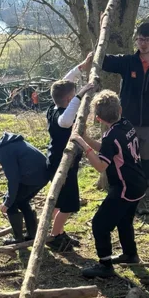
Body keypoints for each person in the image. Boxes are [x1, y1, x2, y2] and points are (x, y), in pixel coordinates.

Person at [78, 21, 149, 199]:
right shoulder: (128, 62)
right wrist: (101, 31)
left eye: (147, 39)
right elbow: (102, 59)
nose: (143, 43)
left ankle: (146, 189)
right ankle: (127, 192)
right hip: (127, 122)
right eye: (140, 39)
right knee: (127, 160)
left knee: (147, 159)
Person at [72, 90, 147, 279]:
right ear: (120, 109)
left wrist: (82, 143)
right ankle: (130, 254)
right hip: (138, 183)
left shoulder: (110, 136)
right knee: (124, 221)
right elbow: (109, 149)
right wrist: (88, 139)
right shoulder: (126, 124)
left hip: (124, 187)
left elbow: (100, 166)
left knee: (99, 225)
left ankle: (105, 265)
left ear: (98, 119)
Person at [45, 78, 98, 252]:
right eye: (73, 97)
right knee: (68, 205)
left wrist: (80, 68)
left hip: (57, 162)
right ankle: (54, 236)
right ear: (69, 100)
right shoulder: (62, 117)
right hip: (63, 166)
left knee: (59, 201)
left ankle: (58, 232)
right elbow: (66, 122)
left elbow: (59, 87)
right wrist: (81, 94)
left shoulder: (53, 108)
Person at [0, 130, 48, 243]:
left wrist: (7, 202)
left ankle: (18, 238)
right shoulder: (8, 143)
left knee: (11, 204)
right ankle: (32, 235)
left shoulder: (3, 152)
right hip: (42, 175)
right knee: (22, 202)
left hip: (34, 177)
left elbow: (13, 180)